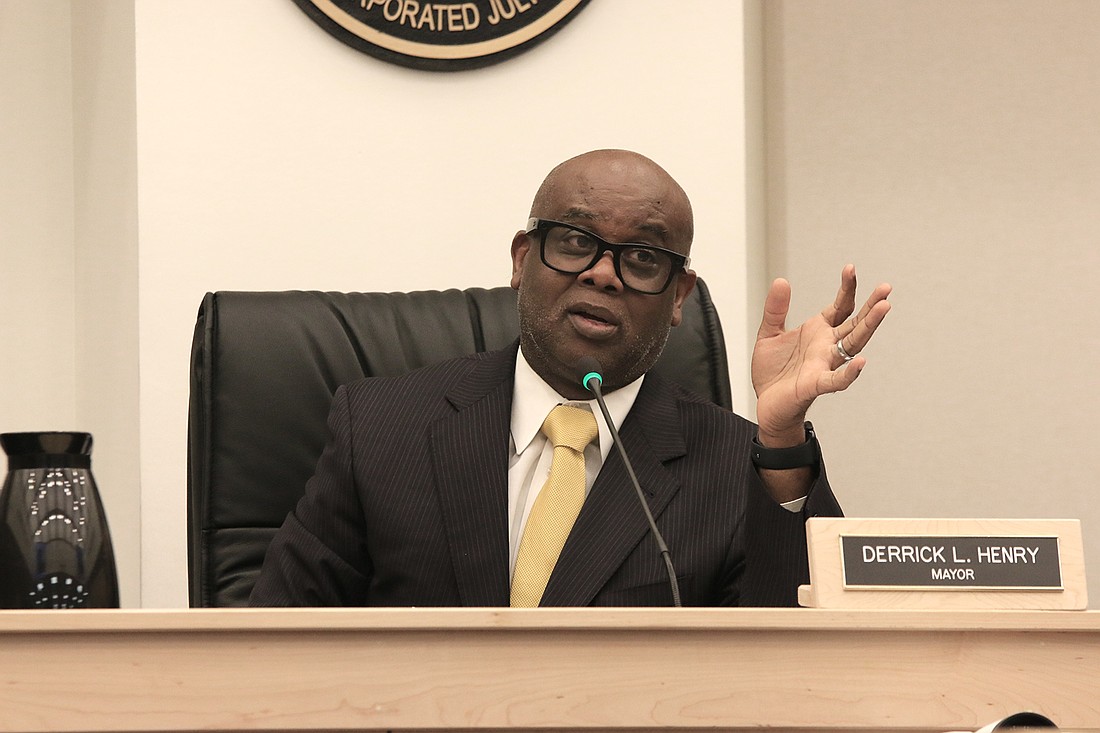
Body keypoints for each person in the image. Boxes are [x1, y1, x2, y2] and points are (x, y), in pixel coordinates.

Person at [249, 149, 891, 607]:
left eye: (643, 257)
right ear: (522, 260)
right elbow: (274, 648)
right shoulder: (383, 429)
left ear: (678, 297)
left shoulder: (731, 464)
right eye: (576, 242)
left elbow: (792, 676)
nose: (604, 274)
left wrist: (779, 435)